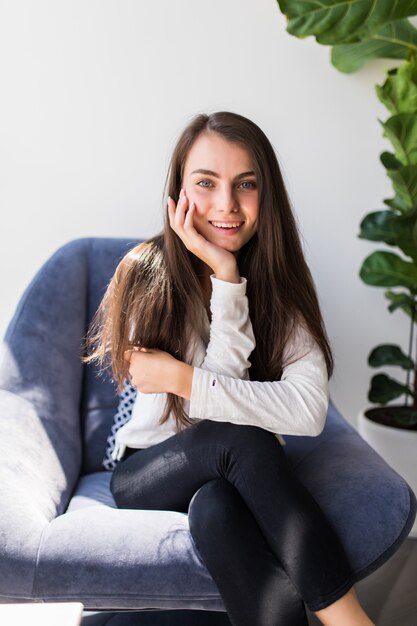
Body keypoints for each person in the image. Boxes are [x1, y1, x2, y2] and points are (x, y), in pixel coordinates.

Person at [84, 111, 375, 626]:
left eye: (246, 184)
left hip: (233, 481)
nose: (226, 205)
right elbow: (210, 425)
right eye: (205, 183)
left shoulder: (281, 283)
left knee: (218, 509)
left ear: (268, 193)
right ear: (179, 193)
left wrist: (183, 372)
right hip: (147, 472)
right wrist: (224, 278)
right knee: (241, 439)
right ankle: (350, 620)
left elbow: (308, 412)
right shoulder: (144, 274)